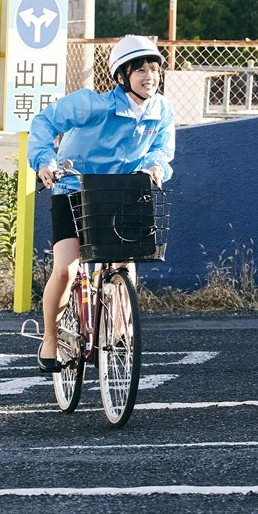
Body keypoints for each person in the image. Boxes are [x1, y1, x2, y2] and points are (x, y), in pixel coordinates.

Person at [27, 34, 176, 373]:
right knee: (66, 269)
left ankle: (119, 334)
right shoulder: (93, 104)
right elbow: (45, 122)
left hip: (122, 192)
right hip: (73, 188)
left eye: (153, 68)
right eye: (138, 69)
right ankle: (50, 340)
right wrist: (44, 160)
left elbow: (162, 150)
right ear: (121, 76)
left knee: (124, 263)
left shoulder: (162, 110)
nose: (148, 75)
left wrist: (156, 166)